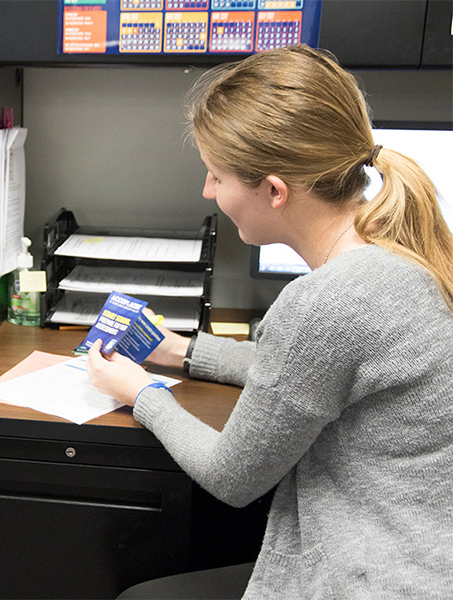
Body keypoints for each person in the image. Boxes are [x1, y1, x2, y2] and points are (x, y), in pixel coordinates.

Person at [86, 45, 453, 599]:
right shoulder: (399, 254)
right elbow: (311, 372)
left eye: (215, 176)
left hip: (372, 578)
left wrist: (140, 392)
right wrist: (182, 351)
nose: (208, 192)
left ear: (275, 191)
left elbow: (232, 478)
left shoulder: (325, 302)